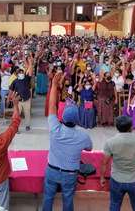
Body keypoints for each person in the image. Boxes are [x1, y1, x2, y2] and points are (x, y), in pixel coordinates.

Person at [43, 72, 92, 211]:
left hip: (52, 170)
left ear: (62, 117)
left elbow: (52, 105)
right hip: (70, 173)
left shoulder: (54, 128)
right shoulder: (83, 136)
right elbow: (89, 148)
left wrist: (53, 85)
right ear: (77, 120)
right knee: (68, 200)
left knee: (48, 199)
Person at [100, 116, 135, 211]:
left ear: (117, 127)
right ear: (131, 127)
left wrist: (102, 177)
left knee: (114, 205)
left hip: (117, 179)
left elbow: (104, 163)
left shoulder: (110, 142)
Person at [9, 56, 34, 131]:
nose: (21, 74)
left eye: (22, 72)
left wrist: (30, 63)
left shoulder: (26, 78)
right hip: (18, 101)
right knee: (16, 115)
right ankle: (15, 128)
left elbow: (30, 71)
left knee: (27, 113)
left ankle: (27, 126)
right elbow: (11, 89)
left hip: (26, 99)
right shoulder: (15, 81)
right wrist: (10, 98)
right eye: (19, 73)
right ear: (17, 74)